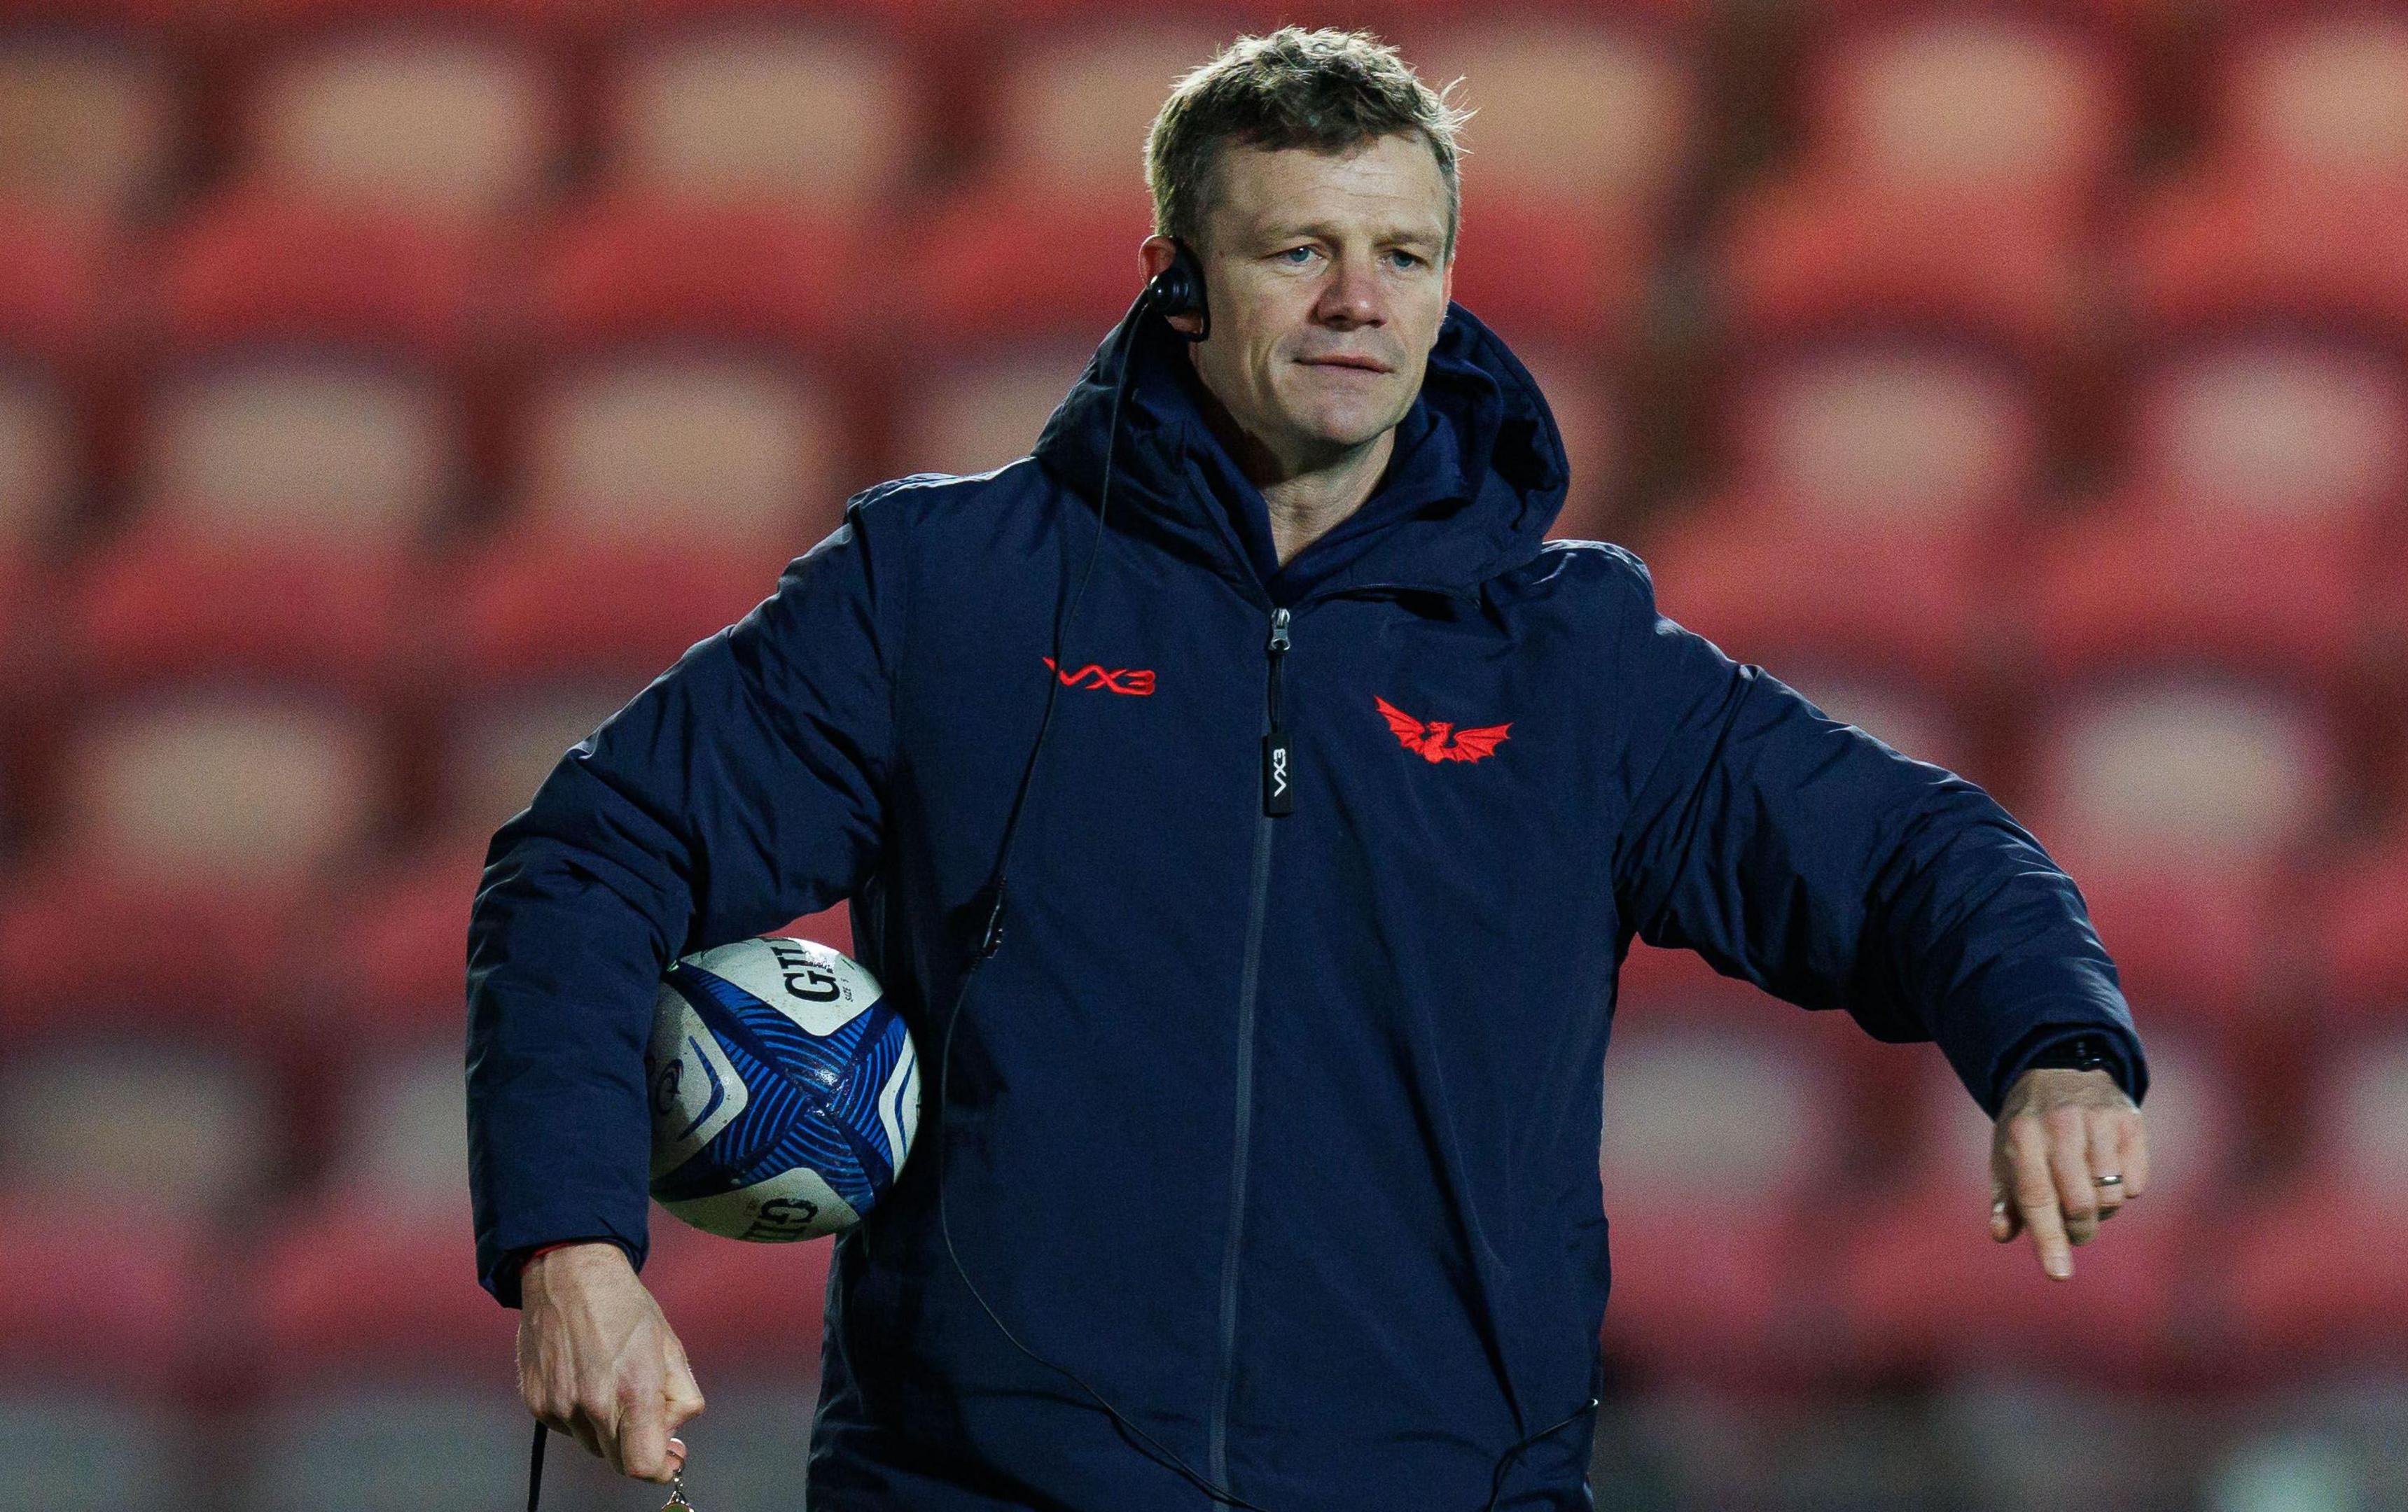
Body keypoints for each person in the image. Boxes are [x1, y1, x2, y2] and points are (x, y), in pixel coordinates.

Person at [467, 26, 2153, 1511]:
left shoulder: (1574, 660)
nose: (1363, 300)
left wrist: (2059, 1049)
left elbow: (1919, 855)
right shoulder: (950, 595)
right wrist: (573, 1244)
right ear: (1177, 276)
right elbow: (589, 857)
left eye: (1406, 254)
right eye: (1301, 250)